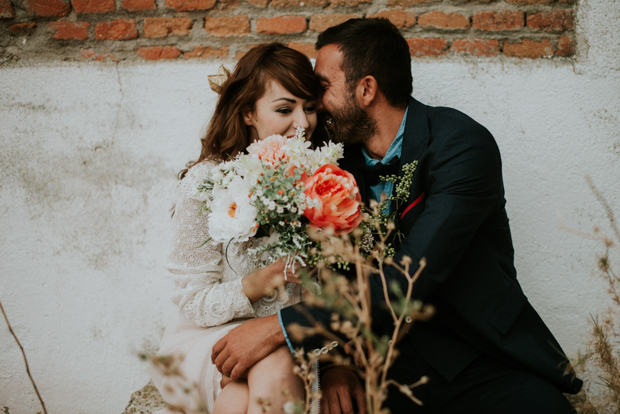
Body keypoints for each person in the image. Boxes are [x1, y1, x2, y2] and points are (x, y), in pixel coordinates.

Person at [211, 18, 584, 414]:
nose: (315, 105)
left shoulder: (460, 146)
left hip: (477, 356)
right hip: (383, 365)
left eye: (323, 88)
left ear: (366, 89)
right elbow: (327, 270)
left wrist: (280, 328)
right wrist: (336, 364)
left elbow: (409, 278)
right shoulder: (333, 158)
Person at [149, 43, 328, 414]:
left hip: (288, 339)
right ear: (248, 112)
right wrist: (261, 281)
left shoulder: (326, 181)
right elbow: (193, 302)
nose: (303, 123)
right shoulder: (206, 182)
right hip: (206, 340)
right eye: (285, 108)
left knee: (243, 393)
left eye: (310, 108)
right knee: (274, 362)